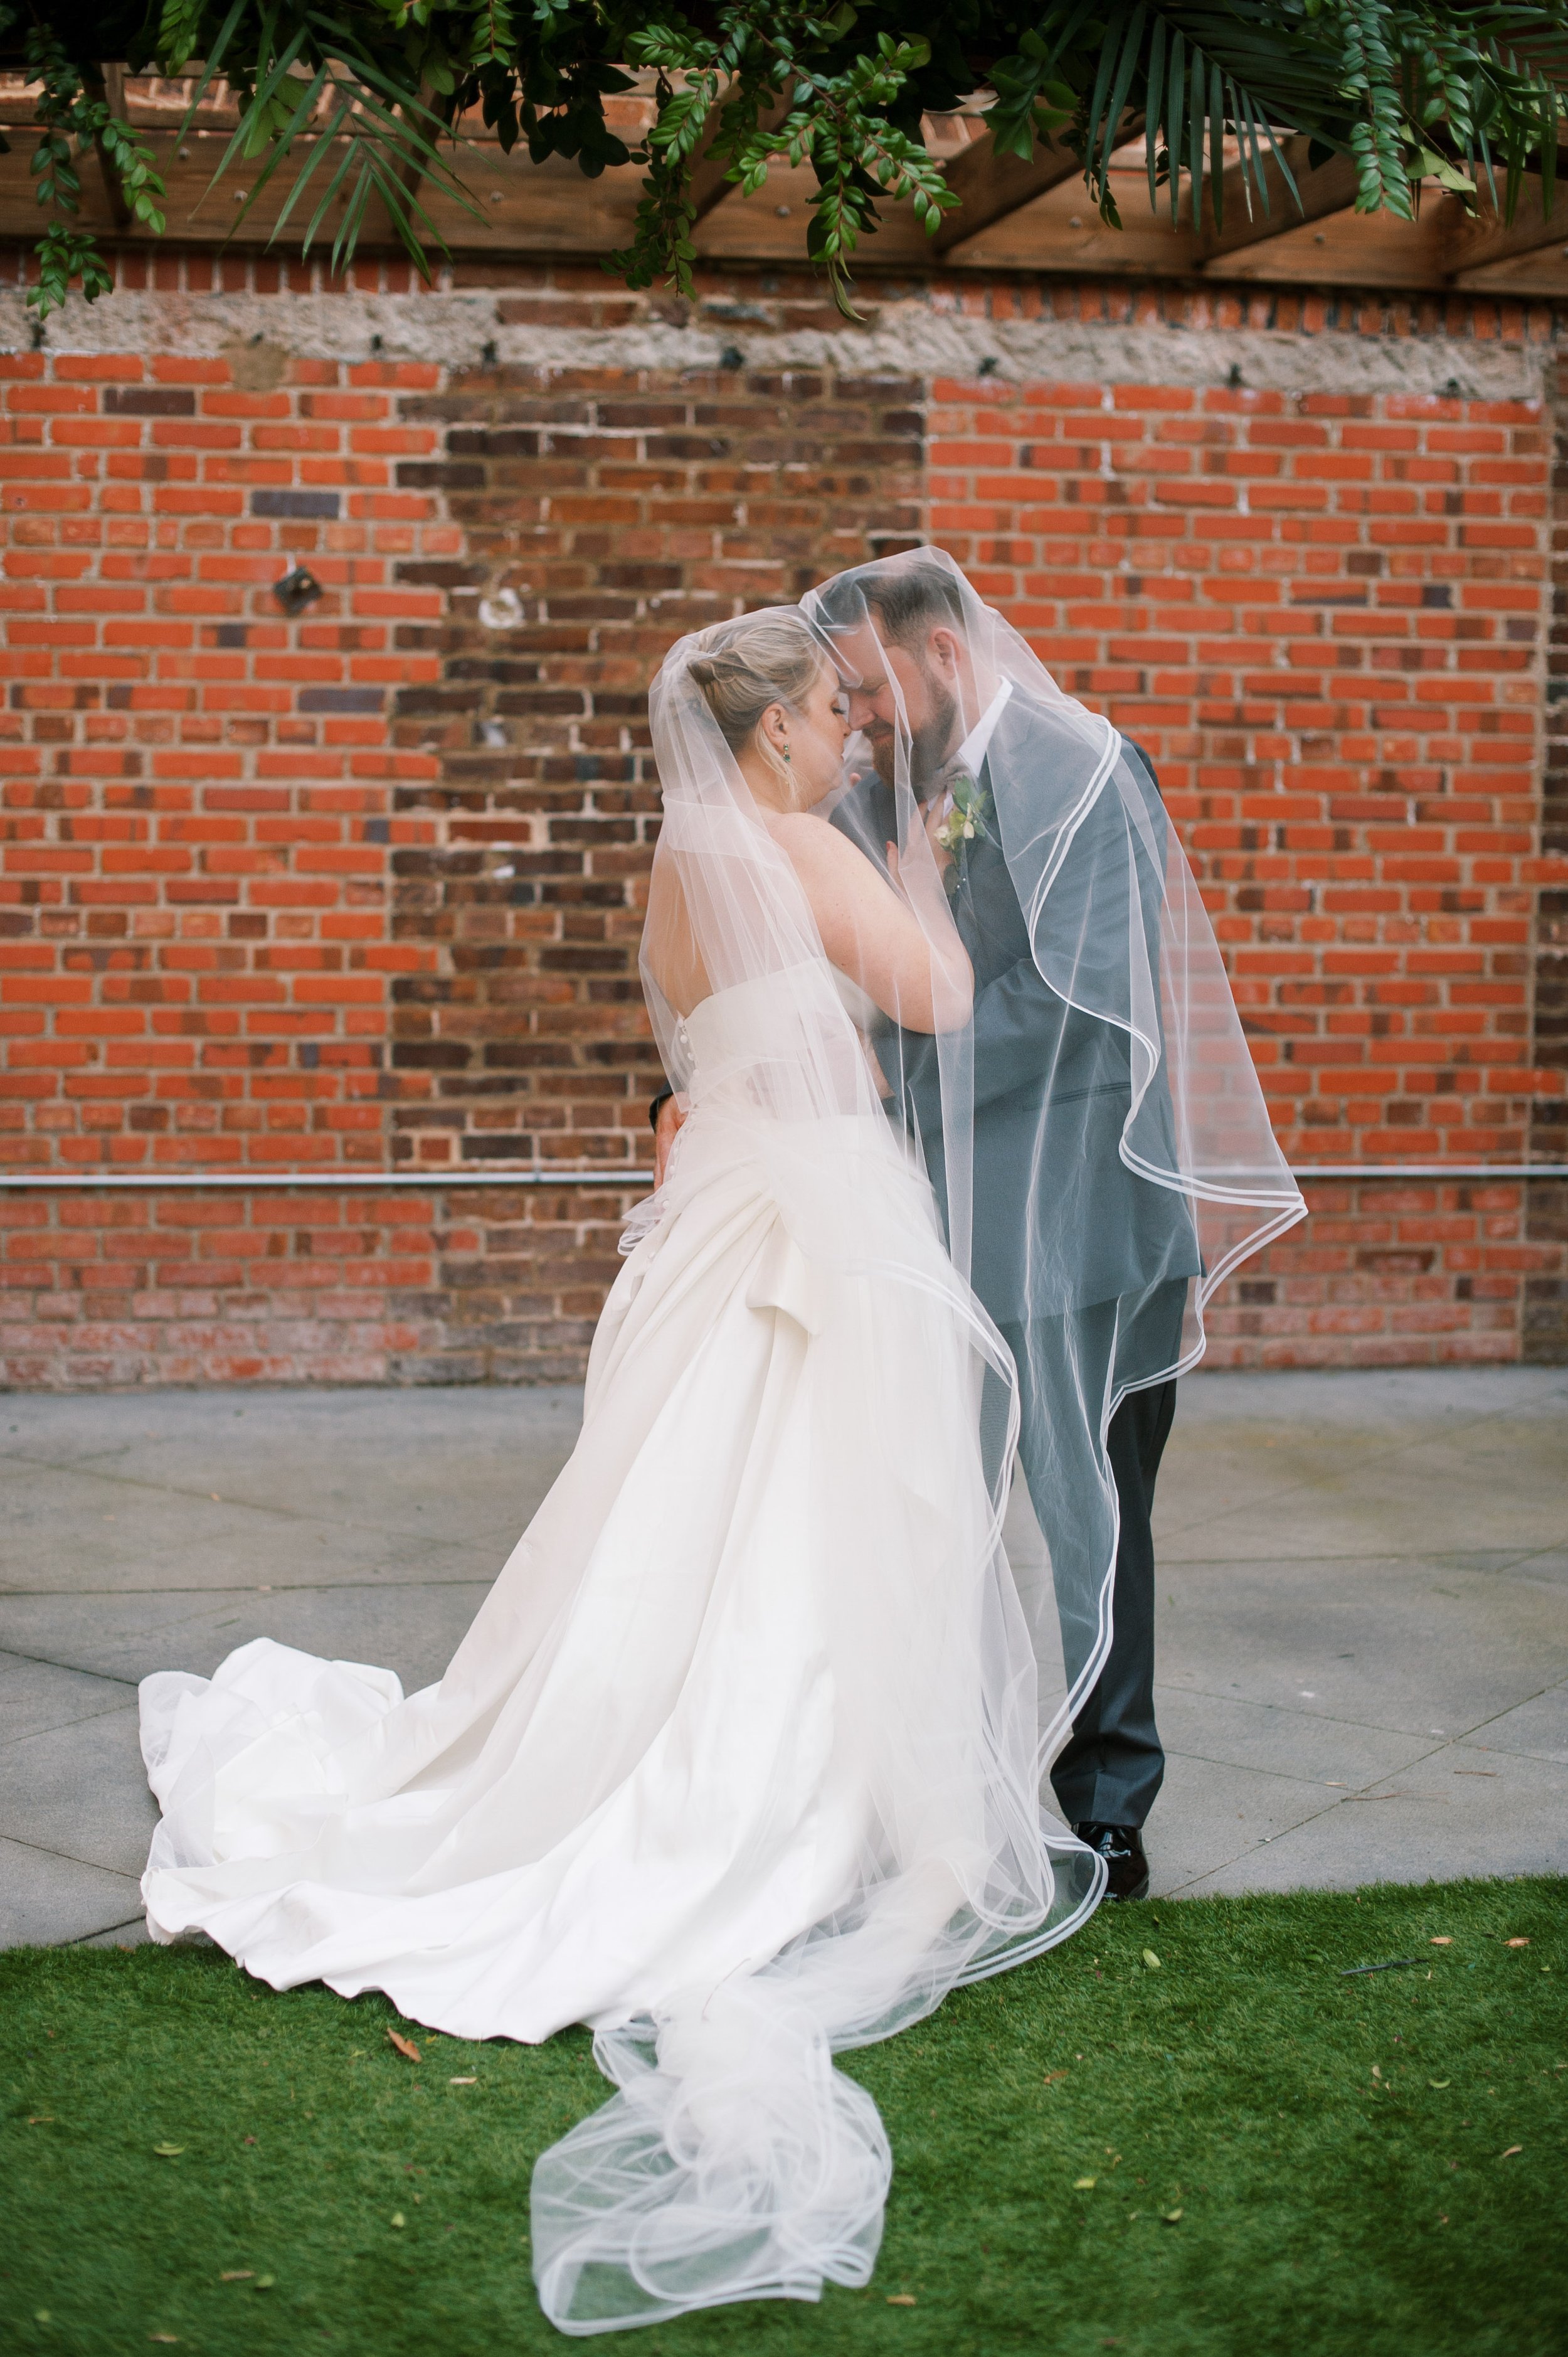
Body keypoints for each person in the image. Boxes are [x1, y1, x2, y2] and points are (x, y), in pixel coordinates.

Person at [138, 609, 1104, 2338]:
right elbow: (938, 995)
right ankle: (794, 1797)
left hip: (724, 1197)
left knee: (677, 1509)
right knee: (821, 1511)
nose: (848, 735)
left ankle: (667, 1748)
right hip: (814, 1195)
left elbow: (698, 1041)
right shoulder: (799, 839)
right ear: (771, 734)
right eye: (827, 714)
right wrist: (919, 855)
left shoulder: (674, 861)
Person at [653, 553, 1306, 1903]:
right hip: (931, 1222)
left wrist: (875, 1070)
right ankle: (935, 1782)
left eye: (872, 688)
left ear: (940, 651)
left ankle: (1107, 1796)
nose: (864, 718)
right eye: (842, 700)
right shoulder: (902, 783)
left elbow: (1080, 1001)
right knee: (923, 1507)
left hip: (1084, 1217)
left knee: (1095, 1514)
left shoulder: (1088, 775)